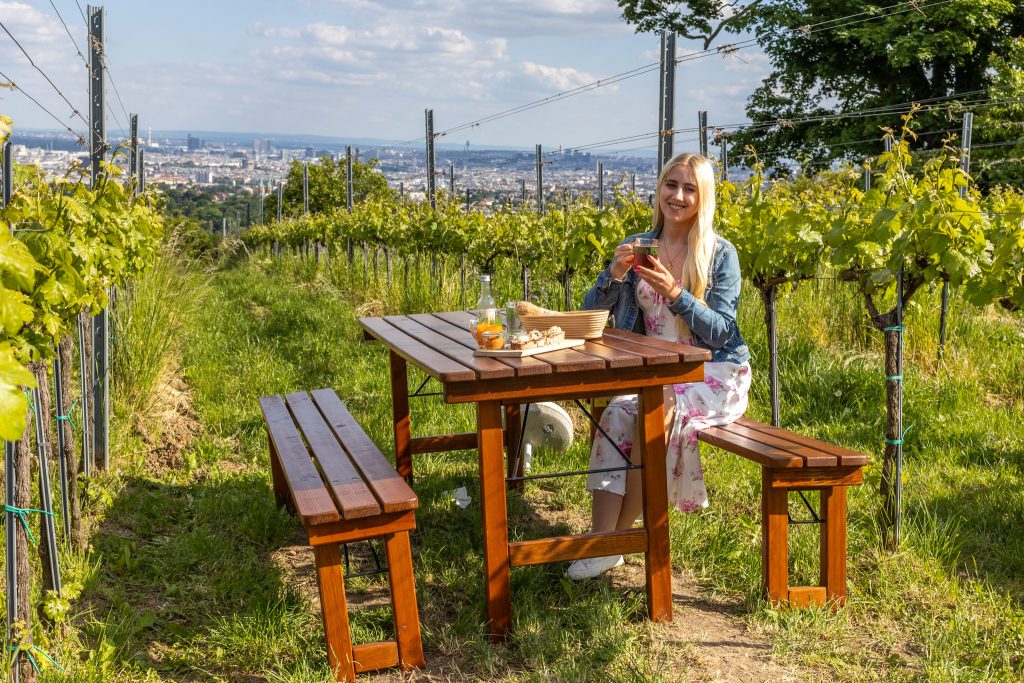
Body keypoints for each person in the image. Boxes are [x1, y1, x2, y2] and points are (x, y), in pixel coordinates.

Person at [566, 152, 752, 580]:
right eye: (672, 185)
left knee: (656, 409)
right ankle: (603, 540)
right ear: (660, 188)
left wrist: (677, 293)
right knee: (616, 414)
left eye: (690, 189)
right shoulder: (641, 244)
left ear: (703, 197)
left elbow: (722, 332)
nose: (679, 196)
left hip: (713, 372)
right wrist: (613, 274)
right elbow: (590, 310)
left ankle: (618, 538)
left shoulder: (720, 255)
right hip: (655, 370)